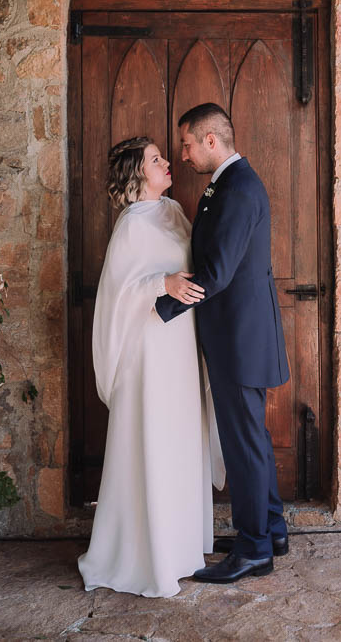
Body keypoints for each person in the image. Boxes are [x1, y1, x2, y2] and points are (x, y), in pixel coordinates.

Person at [78, 136, 225, 598]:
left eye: (163, 155)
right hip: (149, 354)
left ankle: (182, 549)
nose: (166, 163)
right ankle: (150, 556)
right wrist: (161, 280)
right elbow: (117, 293)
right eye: (156, 159)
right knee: (155, 441)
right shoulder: (130, 226)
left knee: (181, 439)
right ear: (137, 175)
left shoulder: (174, 211)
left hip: (180, 346)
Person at [156, 103, 290, 584]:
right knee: (250, 439)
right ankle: (270, 530)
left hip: (240, 339)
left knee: (244, 445)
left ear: (211, 140)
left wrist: (160, 307)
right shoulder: (230, 184)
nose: (184, 155)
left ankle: (255, 550)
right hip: (240, 335)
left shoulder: (238, 188)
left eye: (188, 144)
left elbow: (217, 271)